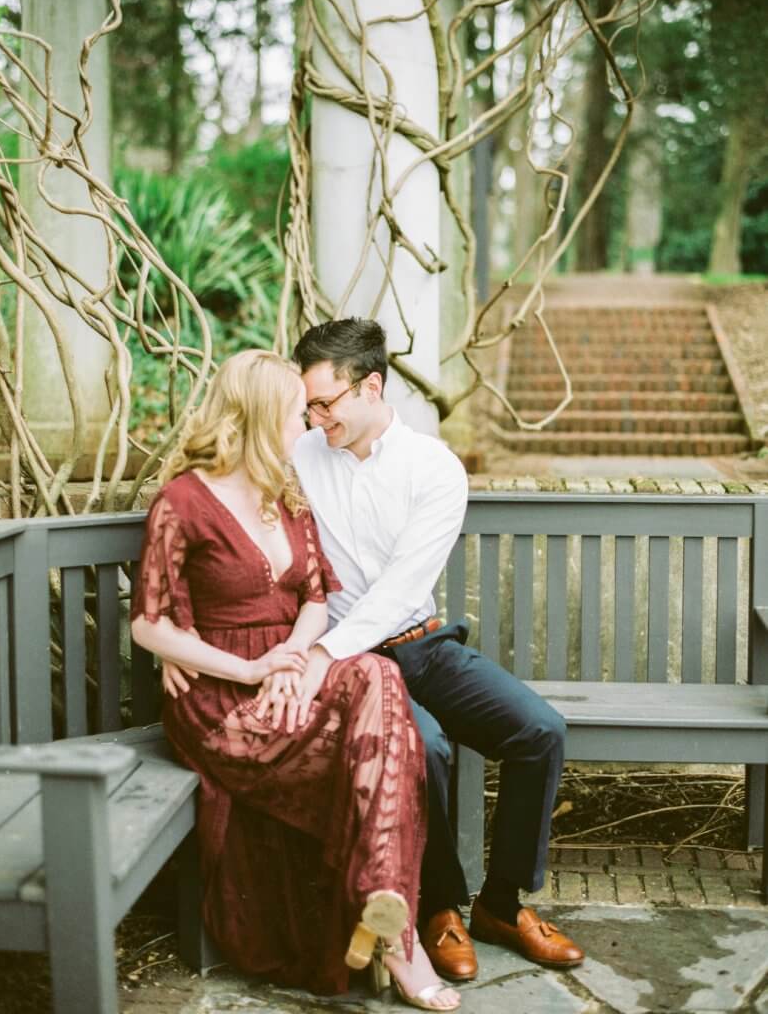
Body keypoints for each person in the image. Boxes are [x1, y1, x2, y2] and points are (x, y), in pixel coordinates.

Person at [131, 349, 461, 1010]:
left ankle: (386, 913)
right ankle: (397, 933)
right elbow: (149, 624)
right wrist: (247, 668)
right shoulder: (183, 501)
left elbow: (315, 598)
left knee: (373, 677)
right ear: (257, 416)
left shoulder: (286, 494)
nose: (309, 423)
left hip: (288, 668)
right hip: (218, 698)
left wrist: (293, 662)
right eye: (295, 411)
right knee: (385, 748)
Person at [284, 318, 585, 981]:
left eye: (325, 402)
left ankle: (502, 906)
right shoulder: (301, 454)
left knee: (539, 730)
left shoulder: (433, 468)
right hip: (357, 667)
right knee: (425, 748)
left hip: (421, 645)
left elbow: (400, 589)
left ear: (371, 386)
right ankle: (438, 909)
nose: (313, 415)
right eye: (307, 403)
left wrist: (321, 653)